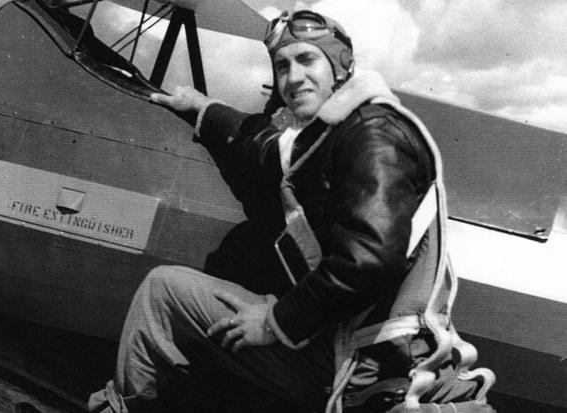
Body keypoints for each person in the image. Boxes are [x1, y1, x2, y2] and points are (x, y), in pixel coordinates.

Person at [88, 10, 496, 413]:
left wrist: (275, 321)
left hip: (365, 371)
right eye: (282, 66)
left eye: (307, 60)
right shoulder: (336, 134)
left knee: (163, 292)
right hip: (349, 351)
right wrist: (203, 109)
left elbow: (369, 260)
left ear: (341, 67)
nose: (293, 77)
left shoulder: (375, 134)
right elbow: (264, 151)